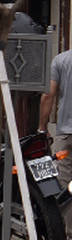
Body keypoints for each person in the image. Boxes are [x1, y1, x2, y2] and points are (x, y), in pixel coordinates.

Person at [41, 47, 72, 186]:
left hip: (65, 133)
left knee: (64, 185)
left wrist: (42, 127)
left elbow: (48, 95)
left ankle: (66, 208)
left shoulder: (61, 60)